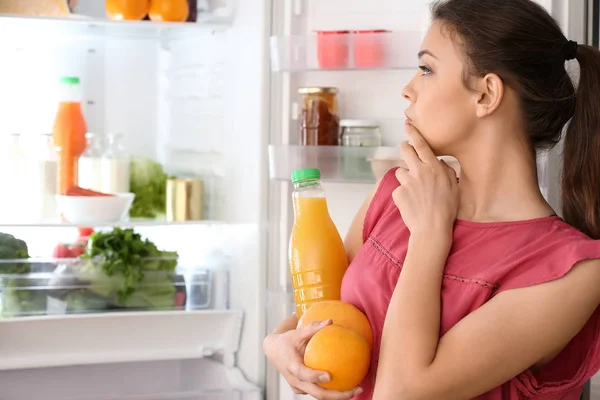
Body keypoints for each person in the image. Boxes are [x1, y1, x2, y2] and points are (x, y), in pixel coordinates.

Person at [263, 0, 600, 398]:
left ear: (486, 94)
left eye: (427, 69)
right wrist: (279, 343)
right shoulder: (395, 194)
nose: (407, 89)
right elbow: (330, 313)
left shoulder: (572, 271)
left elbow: (402, 392)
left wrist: (430, 237)